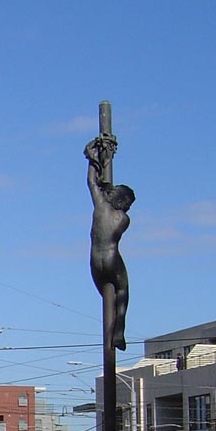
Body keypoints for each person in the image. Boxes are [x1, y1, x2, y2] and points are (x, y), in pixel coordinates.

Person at [85, 136, 135, 352]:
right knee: (122, 289)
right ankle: (119, 328)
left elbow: (91, 182)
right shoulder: (123, 219)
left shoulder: (100, 207)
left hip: (95, 261)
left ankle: (113, 325)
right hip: (112, 259)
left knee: (106, 297)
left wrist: (93, 160)